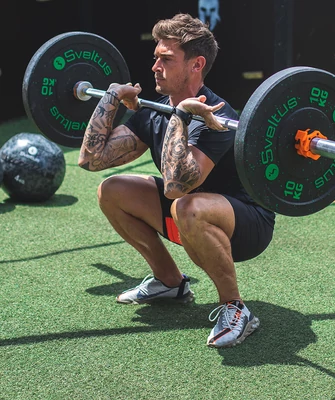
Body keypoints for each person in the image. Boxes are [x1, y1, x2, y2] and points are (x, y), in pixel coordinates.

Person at [78, 13, 275, 348]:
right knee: (112, 190)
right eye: (155, 57)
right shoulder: (154, 110)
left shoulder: (218, 116)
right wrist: (110, 98)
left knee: (187, 205)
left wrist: (182, 116)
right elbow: (91, 159)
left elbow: (176, 187)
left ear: (196, 65)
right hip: (189, 213)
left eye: (166, 59)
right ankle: (169, 281)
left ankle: (235, 308)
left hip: (246, 222)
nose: (156, 66)